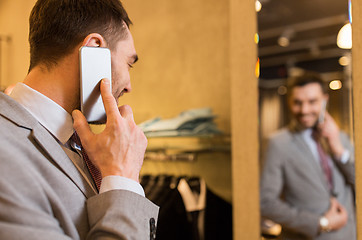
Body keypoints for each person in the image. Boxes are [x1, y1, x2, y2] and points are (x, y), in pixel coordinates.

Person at [0, 0, 159, 239]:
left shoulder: (80, 146)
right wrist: (122, 180)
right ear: (94, 48)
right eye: (129, 64)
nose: (128, 86)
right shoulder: (4, 154)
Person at [260, 72, 356, 240]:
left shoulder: (340, 137)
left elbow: (357, 180)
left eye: (312, 102)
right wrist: (320, 223)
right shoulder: (278, 143)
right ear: (289, 102)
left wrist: (338, 149)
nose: (304, 110)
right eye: (298, 103)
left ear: (325, 100)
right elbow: (266, 203)